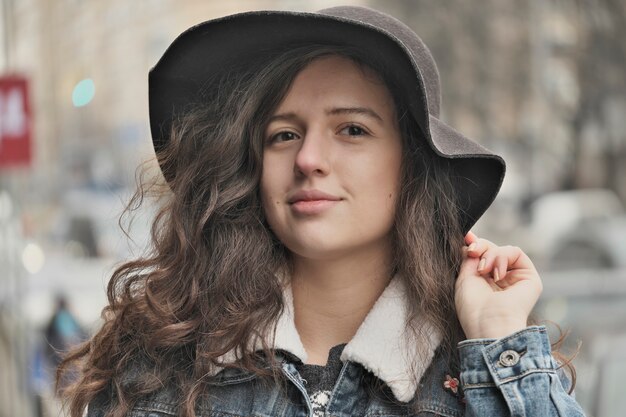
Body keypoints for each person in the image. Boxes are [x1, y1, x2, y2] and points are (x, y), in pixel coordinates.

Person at [58, 5, 587, 417]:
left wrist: (497, 343)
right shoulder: (158, 365)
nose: (309, 159)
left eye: (351, 129)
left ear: (413, 165)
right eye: (283, 135)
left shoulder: (476, 371)